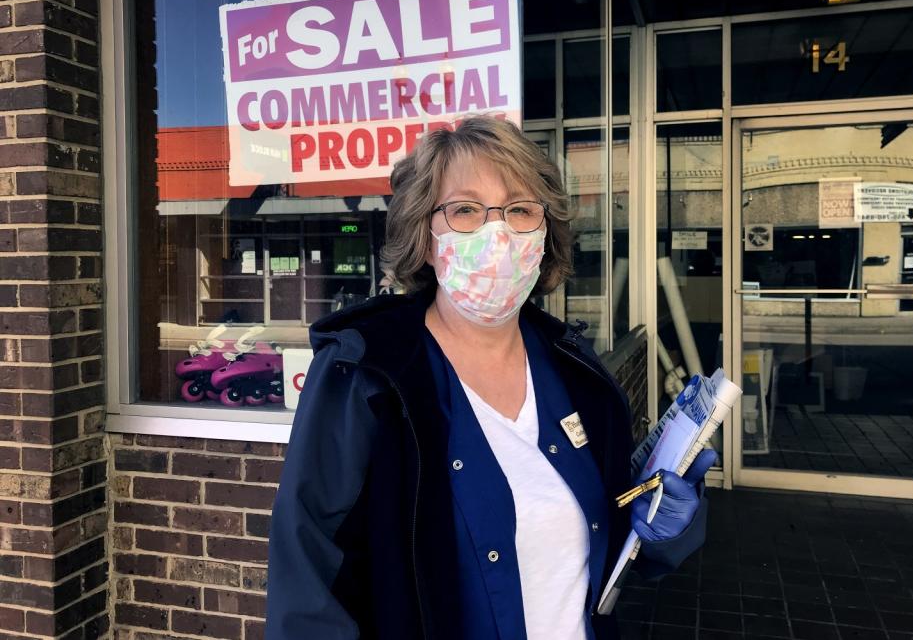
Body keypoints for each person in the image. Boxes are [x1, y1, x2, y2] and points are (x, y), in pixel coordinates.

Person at [265, 115, 714, 640]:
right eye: (465, 210)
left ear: (545, 235)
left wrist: (665, 525)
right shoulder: (365, 374)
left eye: (520, 210)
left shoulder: (574, 370)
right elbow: (309, 576)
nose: (496, 234)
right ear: (425, 237)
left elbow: (608, 542)